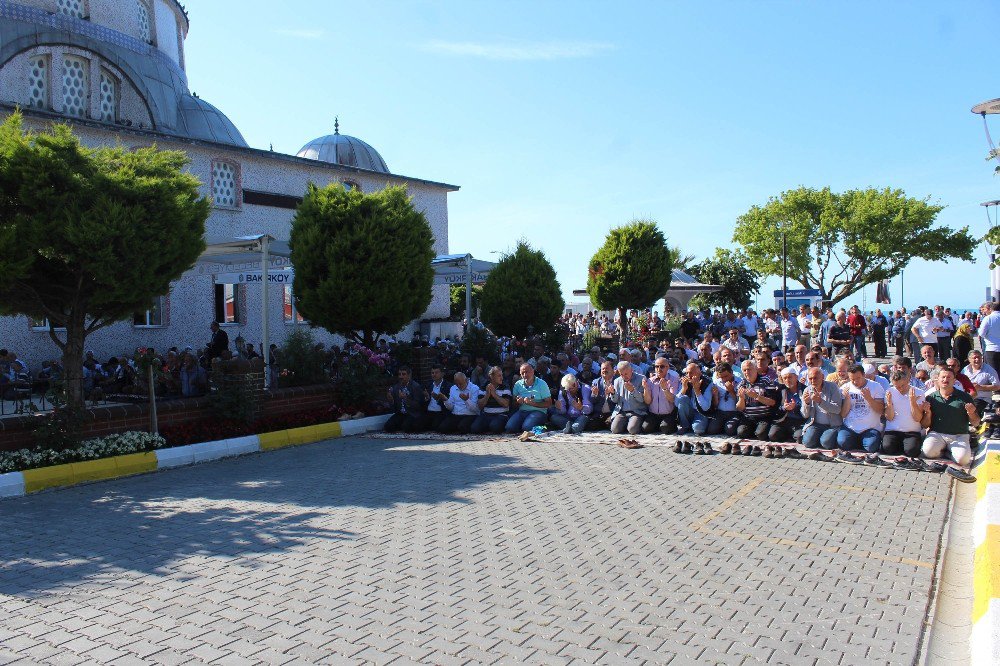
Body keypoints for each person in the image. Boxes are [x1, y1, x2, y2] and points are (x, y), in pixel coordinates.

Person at [921, 367, 978, 478]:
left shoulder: (965, 397)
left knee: (963, 460)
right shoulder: (930, 398)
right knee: (928, 453)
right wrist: (927, 412)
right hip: (937, 434)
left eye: (948, 377)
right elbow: (924, 425)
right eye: (943, 377)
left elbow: (976, 423)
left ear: (954, 380)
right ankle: (947, 451)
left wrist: (971, 413)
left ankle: (948, 452)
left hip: (959, 435)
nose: (945, 380)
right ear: (937, 379)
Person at [835, 364, 885, 457]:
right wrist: (847, 399)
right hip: (850, 427)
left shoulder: (876, 386)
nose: (855, 381)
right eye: (852, 379)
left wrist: (869, 399)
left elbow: (881, 411)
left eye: (858, 378)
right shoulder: (845, 388)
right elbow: (843, 414)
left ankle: (862, 440)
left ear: (864, 375)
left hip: (870, 427)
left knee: (871, 447)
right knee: (842, 443)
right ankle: (858, 440)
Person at [881, 369, 925, 460]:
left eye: (902, 385)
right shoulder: (889, 392)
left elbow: (917, 418)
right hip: (893, 430)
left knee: (912, 452)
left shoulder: (918, 392)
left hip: (911, 431)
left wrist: (912, 402)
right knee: (887, 448)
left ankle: (906, 445)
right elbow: (889, 417)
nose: (900, 389)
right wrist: (889, 404)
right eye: (897, 386)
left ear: (908, 380)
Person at [800, 367, 843, 452]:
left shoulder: (832, 387)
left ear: (822, 377)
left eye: (815, 378)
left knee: (826, 443)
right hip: (815, 424)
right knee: (807, 443)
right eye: (810, 378)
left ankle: (825, 438)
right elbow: (805, 415)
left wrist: (820, 401)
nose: (812, 381)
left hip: (832, 425)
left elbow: (837, 409)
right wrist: (806, 404)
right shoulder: (807, 390)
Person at [735, 359, 778, 441]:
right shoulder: (741, 385)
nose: (747, 372)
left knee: (761, 434)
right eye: (744, 370)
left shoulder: (766, 381)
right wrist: (741, 398)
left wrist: (756, 396)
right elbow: (740, 408)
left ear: (756, 369)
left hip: (764, 416)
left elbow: (772, 402)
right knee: (741, 433)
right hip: (748, 417)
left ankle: (759, 431)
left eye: (749, 369)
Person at [505, 363, 553, 433]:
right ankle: (528, 426)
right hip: (522, 411)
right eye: (522, 373)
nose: (525, 375)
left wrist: (533, 403)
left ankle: (546, 427)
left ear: (533, 371)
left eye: (526, 372)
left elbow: (549, 403)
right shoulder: (518, 384)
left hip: (539, 412)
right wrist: (518, 402)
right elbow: (513, 403)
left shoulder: (542, 384)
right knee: (510, 428)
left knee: (527, 428)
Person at [608, 360, 652, 435]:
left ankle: (632, 425)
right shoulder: (617, 381)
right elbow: (615, 401)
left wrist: (632, 390)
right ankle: (626, 424)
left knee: (632, 430)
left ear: (631, 370)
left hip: (637, 411)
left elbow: (642, 400)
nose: (624, 376)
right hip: (622, 412)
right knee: (614, 430)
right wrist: (613, 393)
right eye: (621, 374)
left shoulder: (641, 379)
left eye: (626, 374)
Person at [676, 361, 716, 436]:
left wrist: (697, 391)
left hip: (701, 413)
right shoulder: (684, 381)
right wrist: (684, 389)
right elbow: (676, 402)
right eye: (687, 373)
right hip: (689, 410)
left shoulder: (708, 383)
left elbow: (705, 407)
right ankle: (685, 426)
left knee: (698, 429)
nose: (688, 375)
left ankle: (694, 424)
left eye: (691, 373)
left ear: (699, 373)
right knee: (682, 399)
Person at [768, 368, 805, 443]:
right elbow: (775, 408)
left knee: (800, 438)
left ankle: (793, 435)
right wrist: (784, 408)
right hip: (783, 420)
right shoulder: (780, 390)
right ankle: (789, 434)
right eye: (785, 378)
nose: (787, 380)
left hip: (800, 421)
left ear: (796, 377)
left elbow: (808, 410)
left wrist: (795, 407)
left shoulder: (804, 389)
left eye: (790, 377)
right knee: (772, 435)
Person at [644, 356, 679, 435]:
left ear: (668, 367)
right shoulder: (650, 381)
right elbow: (647, 401)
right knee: (645, 428)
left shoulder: (673, 380)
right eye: (656, 366)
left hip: (668, 414)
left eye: (662, 366)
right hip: (653, 414)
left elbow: (672, 399)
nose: (659, 369)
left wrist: (665, 389)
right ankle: (659, 425)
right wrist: (646, 389)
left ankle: (667, 425)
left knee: (665, 429)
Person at [471, 366, 511, 434]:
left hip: (501, 415)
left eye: (502, 375)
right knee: (474, 428)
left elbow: (506, 404)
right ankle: (488, 428)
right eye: (499, 376)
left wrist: (494, 394)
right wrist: (487, 394)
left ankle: (490, 428)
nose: (502, 378)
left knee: (494, 427)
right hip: (486, 415)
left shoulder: (505, 386)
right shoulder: (484, 386)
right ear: (491, 376)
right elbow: (480, 406)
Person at [384, 367, 424, 433]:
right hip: (401, 414)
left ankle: (407, 425)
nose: (401, 376)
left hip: (412, 413)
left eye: (403, 374)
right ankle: (401, 424)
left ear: (409, 375)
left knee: (406, 428)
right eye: (399, 374)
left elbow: (418, 406)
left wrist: (406, 399)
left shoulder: (416, 387)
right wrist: (391, 400)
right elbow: (394, 407)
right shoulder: (396, 387)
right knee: (388, 427)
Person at [588, 360, 616, 430]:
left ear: (613, 370)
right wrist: (595, 394)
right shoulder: (596, 382)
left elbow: (619, 400)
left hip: (612, 413)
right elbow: (592, 400)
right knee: (590, 426)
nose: (604, 370)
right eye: (602, 369)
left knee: (612, 426)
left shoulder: (617, 381)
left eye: (607, 368)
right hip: (599, 413)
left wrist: (612, 394)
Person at [421, 365, 450, 432]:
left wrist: (438, 399)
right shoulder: (428, 385)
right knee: (417, 425)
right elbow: (422, 402)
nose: (434, 375)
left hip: (440, 412)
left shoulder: (448, 386)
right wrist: (427, 398)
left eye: (436, 372)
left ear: (442, 374)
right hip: (429, 412)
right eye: (432, 373)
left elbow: (449, 404)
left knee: (437, 427)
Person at [979, 301, 1000, 372]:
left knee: (993, 372)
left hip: (992, 348)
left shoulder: (988, 318)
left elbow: (981, 333)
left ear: (991, 308)